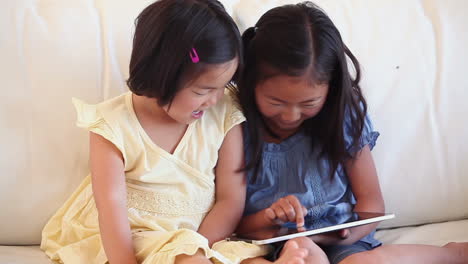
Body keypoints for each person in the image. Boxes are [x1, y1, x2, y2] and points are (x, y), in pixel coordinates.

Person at [40, 1, 315, 263]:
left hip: (207, 234)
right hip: (136, 236)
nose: (215, 99)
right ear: (161, 75)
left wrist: (201, 246)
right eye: (202, 91)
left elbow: (231, 200)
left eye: (222, 86)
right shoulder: (111, 125)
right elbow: (111, 210)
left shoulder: (223, 113)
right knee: (186, 257)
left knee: (236, 257)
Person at [234, 2, 468, 264]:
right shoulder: (235, 130)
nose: (290, 116)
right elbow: (236, 225)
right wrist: (270, 217)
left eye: (308, 104)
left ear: (330, 89)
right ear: (250, 81)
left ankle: (453, 253)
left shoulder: (341, 118)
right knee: (296, 252)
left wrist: (346, 235)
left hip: (342, 239)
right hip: (272, 246)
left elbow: (372, 205)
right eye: (276, 102)